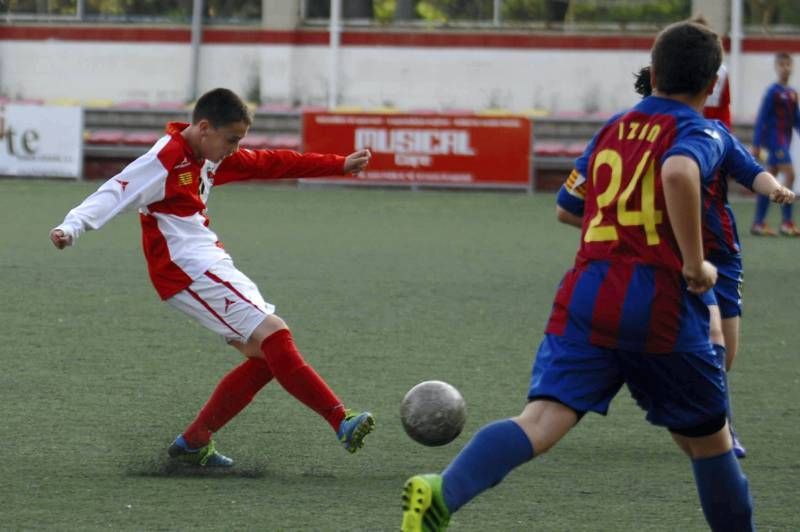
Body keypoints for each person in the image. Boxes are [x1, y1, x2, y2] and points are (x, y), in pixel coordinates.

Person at [400, 21, 757, 531]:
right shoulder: (698, 130)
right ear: (712, 84)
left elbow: (570, 206)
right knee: (710, 441)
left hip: (588, 293)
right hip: (658, 303)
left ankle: (444, 491)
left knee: (540, 421)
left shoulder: (614, 127)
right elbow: (679, 172)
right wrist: (696, 262)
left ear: (653, 72)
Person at [50, 88, 375, 467]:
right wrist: (71, 226)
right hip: (186, 268)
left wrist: (337, 164)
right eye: (232, 139)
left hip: (208, 261)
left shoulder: (207, 154)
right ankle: (341, 419)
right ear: (204, 127)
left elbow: (271, 163)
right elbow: (115, 190)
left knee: (268, 356)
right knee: (274, 335)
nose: (236, 149)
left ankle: (194, 442)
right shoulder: (166, 157)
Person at [561, 65, 796, 459]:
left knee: (725, 352)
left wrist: (775, 189)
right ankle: (718, 431)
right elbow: (572, 206)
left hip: (721, 257)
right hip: (671, 255)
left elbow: (751, 172)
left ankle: (698, 415)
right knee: (709, 337)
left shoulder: (710, 134)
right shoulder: (638, 136)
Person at [751, 52, 800, 236]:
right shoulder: (773, 92)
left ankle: (758, 223)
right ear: (776, 67)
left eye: (788, 64)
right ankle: (787, 223)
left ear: (792, 67)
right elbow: (762, 118)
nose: (785, 68)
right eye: (782, 65)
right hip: (774, 142)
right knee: (791, 175)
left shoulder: (793, 93)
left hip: (784, 142)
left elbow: (796, 119)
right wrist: (756, 144)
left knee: (769, 179)